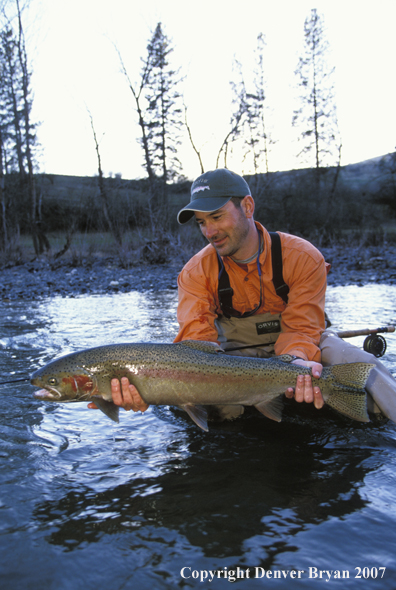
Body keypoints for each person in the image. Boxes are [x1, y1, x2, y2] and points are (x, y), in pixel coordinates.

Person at [89, 168, 396, 423]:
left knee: (369, 372)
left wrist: (297, 364)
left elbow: (303, 328)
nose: (210, 231)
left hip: (301, 344)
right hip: (233, 353)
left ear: (247, 207)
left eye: (217, 217)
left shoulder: (303, 257)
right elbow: (196, 346)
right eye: (201, 222)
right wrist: (154, 391)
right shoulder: (195, 273)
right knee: (214, 411)